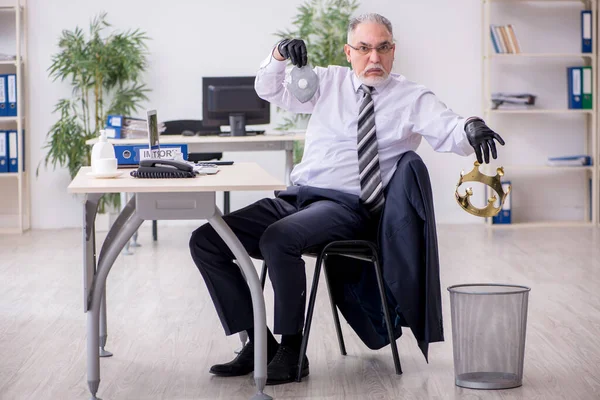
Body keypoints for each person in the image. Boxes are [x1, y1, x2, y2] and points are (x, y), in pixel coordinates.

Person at [189, 12, 504, 385]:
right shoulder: (325, 82)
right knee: (207, 239)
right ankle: (259, 344)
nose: (374, 58)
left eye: (383, 48)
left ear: (393, 51)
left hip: (347, 208)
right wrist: (277, 55)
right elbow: (269, 90)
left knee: (279, 238)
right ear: (348, 51)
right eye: (364, 48)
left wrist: (471, 125)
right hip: (297, 198)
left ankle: (292, 352)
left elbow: (450, 127)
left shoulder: (411, 97)